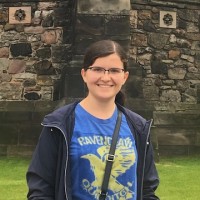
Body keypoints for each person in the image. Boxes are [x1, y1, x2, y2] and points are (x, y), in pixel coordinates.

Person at [26, 40, 159, 200]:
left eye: (114, 71)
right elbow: (41, 189)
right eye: (97, 69)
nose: (106, 77)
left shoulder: (138, 127)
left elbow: (147, 190)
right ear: (84, 74)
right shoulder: (59, 124)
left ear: (125, 77)